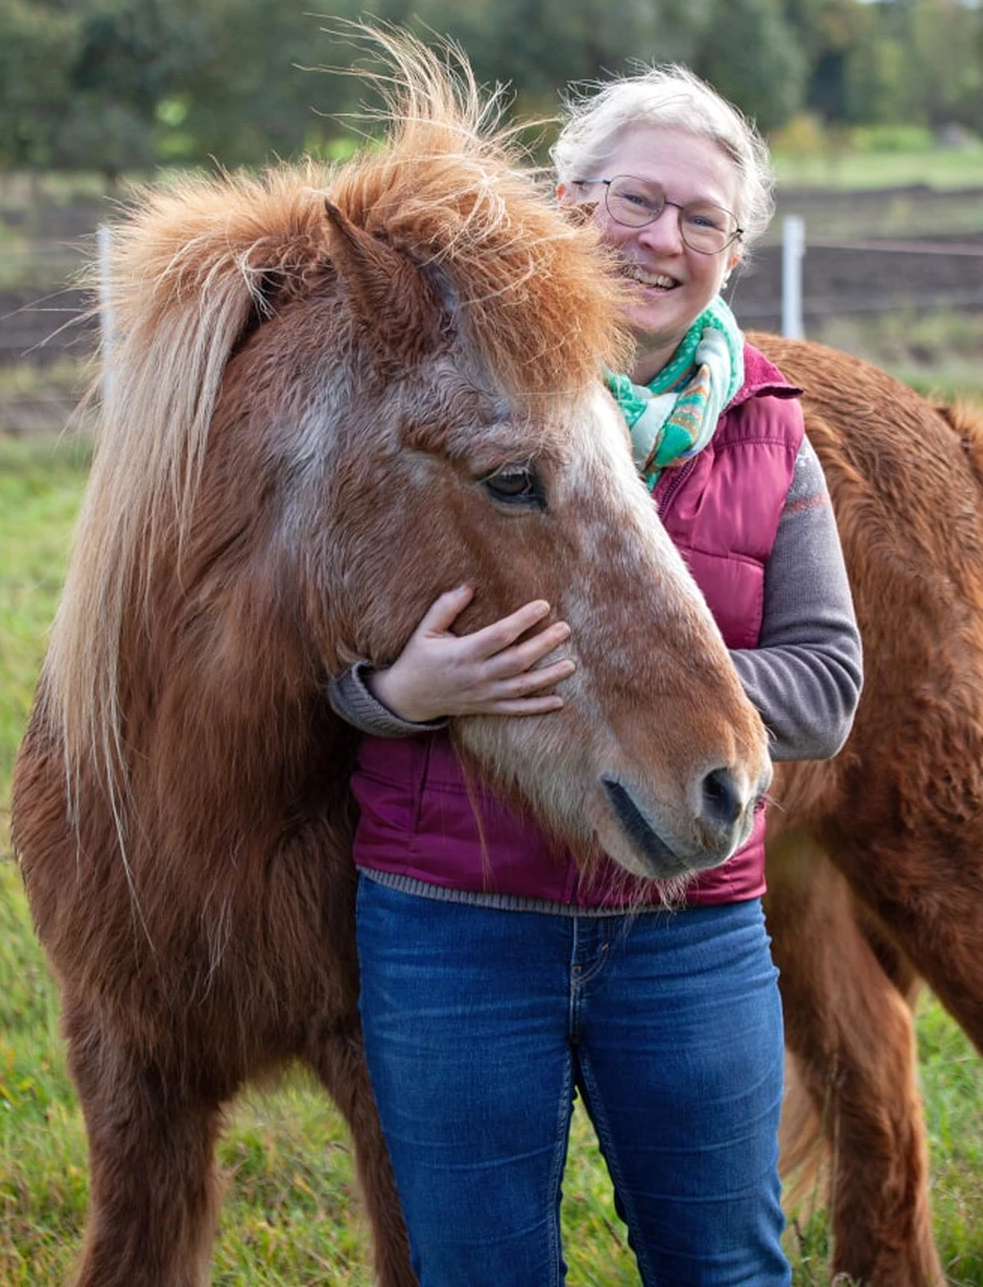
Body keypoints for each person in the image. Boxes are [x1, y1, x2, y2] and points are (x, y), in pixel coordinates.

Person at [329, 65, 864, 1285]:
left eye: (702, 220)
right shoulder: (444, 406)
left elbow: (826, 685)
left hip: (688, 926)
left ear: (733, 257)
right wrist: (401, 693)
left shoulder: (768, 430)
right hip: (452, 924)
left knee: (723, 1267)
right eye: (634, 199)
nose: (661, 239)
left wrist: (633, 675)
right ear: (565, 205)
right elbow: (310, 665)